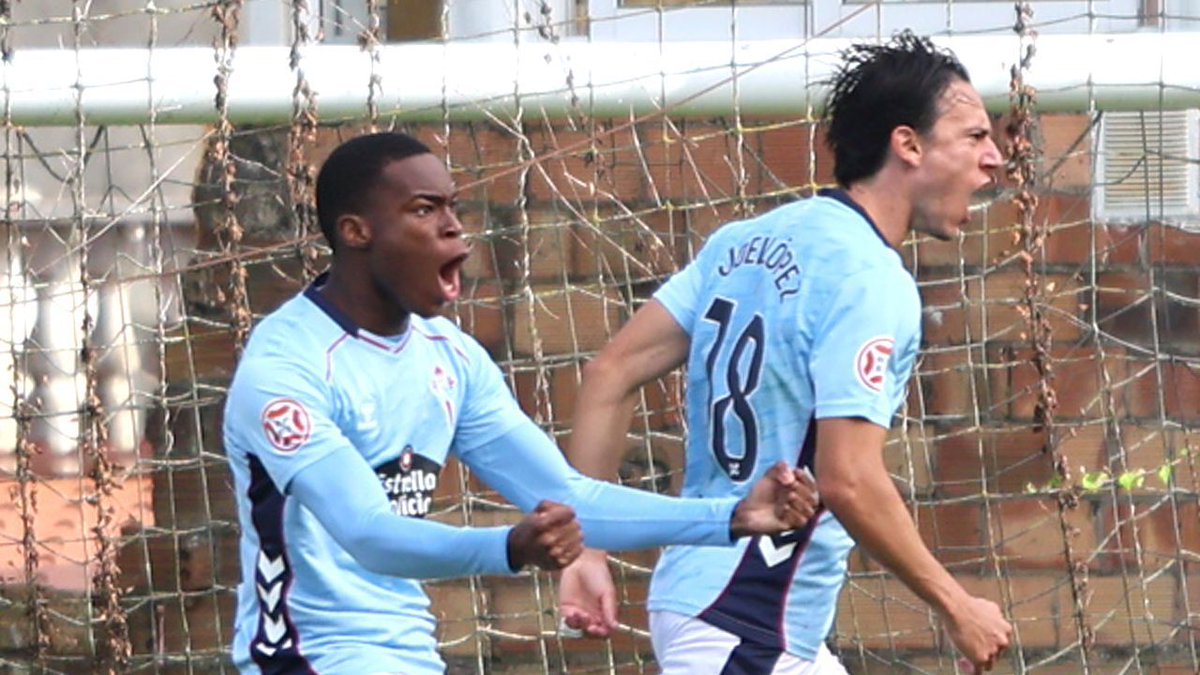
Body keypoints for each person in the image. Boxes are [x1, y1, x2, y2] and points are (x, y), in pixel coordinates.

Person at [221, 131, 819, 674]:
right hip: (307, 658)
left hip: (408, 653)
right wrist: (510, 547)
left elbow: (570, 495)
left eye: (453, 206)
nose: (454, 227)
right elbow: (369, 533)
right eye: (424, 210)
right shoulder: (287, 369)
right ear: (357, 232)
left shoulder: (448, 356)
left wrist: (735, 516)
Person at [556, 31, 1014, 674]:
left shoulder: (741, 242)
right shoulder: (871, 280)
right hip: (745, 618)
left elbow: (610, 371)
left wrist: (587, 549)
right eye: (975, 137)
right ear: (907, 144)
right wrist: (956, 605)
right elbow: (849, 479)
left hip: (730, 613)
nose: (995, 158)